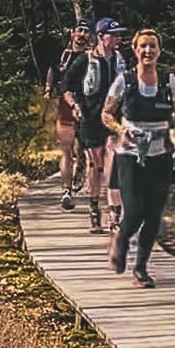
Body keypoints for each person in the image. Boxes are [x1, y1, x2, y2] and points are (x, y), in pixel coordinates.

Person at [105, 28, 175, 286]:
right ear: (135, 51)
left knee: (154, 214)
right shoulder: (124, 81)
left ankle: (141, 269)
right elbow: (106, 114)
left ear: (159, 51)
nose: (148, 51)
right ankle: (121, 238)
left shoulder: (169, 82)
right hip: (130, 155)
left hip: (160, 156)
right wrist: (120, 130)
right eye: (143, 47)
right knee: (135, 210)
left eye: (152, 46)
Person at [61, 19, 126, 232]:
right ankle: (94, 211)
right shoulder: (84, 60)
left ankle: (115, 215)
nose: (117, 38)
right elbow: (67, 86)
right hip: (89, 118)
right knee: (96, 166)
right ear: (100, 36)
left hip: (114, 119)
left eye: (118, 35)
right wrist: (75, 106)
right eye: (113, 34)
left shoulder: (120, 60)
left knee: (113, 164)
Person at [47, 22, 88, 208]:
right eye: (79, 30)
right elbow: (52, 70)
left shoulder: (92, 57)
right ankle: (66, 189)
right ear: (72, 33)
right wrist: (48, 88)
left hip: (87, 105)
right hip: (65, 104)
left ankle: (81, 170)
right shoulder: (63, 55)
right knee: (66, 148)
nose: (82, 35)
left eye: (86, 32)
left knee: (81, 150)